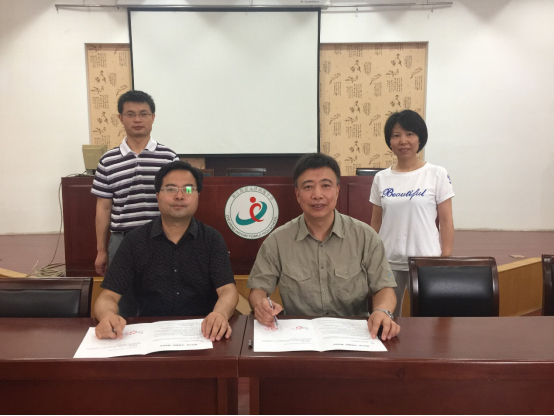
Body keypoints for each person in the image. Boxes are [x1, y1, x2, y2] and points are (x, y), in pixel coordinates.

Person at [247, 153, 400, 341]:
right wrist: (261, 305)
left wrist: (382, 311)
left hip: (354, 335)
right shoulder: (277, 241)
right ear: (297, 194)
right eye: (308, 187)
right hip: (299, 336)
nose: (317, 195)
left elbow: (384, 288)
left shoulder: (365, 236)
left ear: (337, 190)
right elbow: (258, 290)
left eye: (326, 186)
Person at [94, 161, 239, 342]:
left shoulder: (212, 239)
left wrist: (220, 313)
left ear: (198, 196)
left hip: (204, 334)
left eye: (188, 189)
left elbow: (228, 290)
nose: (179, 196)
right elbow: (107, 296)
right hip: (150, 337)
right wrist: (107, 315)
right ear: (157, 196)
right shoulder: (135, 241)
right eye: (170, 189)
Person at [91, 90, 178, 316]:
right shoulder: (108, 160)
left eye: (143, 114)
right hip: (122, 240)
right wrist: (101, 250)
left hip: (161, 239)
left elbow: (181, 198)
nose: (137, 119)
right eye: (130, 114)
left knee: (162, 299)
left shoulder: (169, 157)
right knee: (122, 303)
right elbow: (103, 207)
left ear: (153, 117)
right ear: (121, 118)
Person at [370, 110, 455, 317]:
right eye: (396, 135)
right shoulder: (381, 178)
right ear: (390, 141)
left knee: (428, 319)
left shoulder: (437, 174)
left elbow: (446, 220)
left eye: (409, 134)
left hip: (426, 259)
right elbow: (375, 222)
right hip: (388, 260)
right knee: (388, 316)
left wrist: (445, 257)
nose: (403, 141)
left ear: (420, 138)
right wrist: (372, 257)